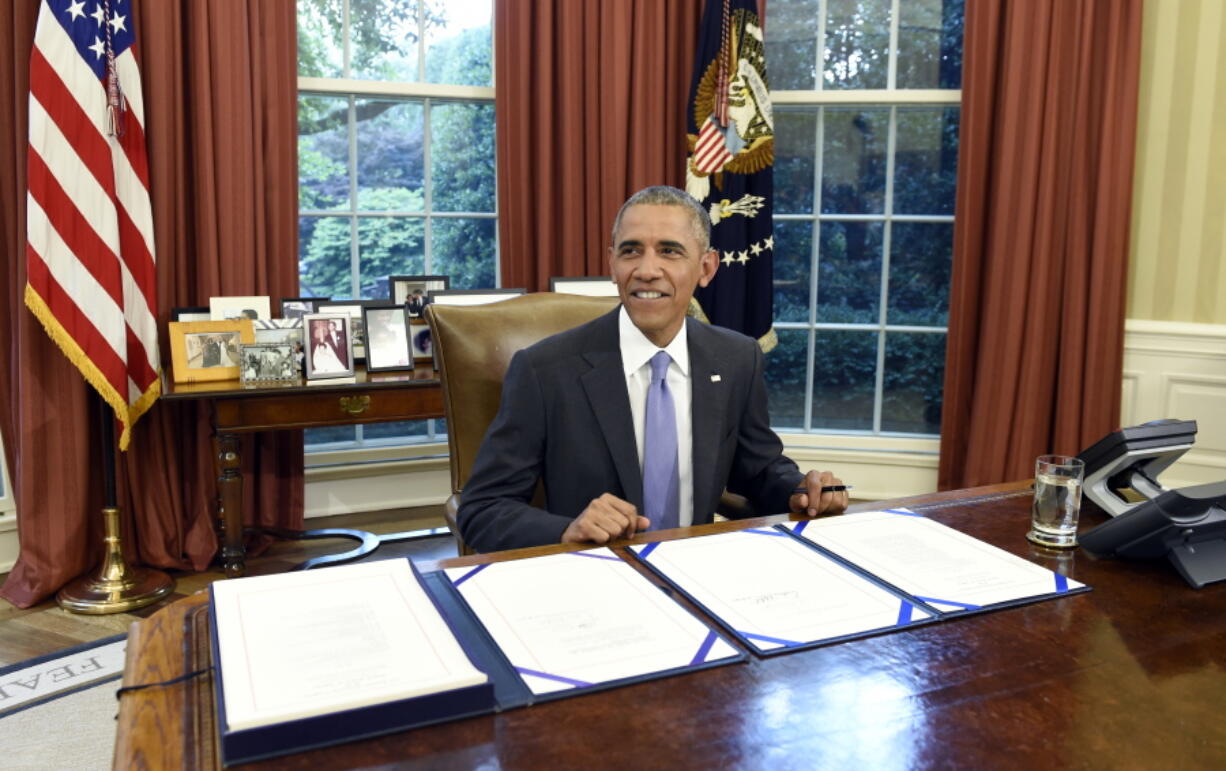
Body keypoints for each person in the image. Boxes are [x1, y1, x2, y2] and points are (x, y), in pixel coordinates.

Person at [458, 185, 849, 553]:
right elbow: (483, 510)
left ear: (706, 268)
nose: (647, 269)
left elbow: (758, 467)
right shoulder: (543, 370)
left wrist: (800, 488)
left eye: (670, 251)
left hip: (697, 572)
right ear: (611, 264)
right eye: (631, 251)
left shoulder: (736, 358)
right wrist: (566, 530)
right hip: (594, 575)